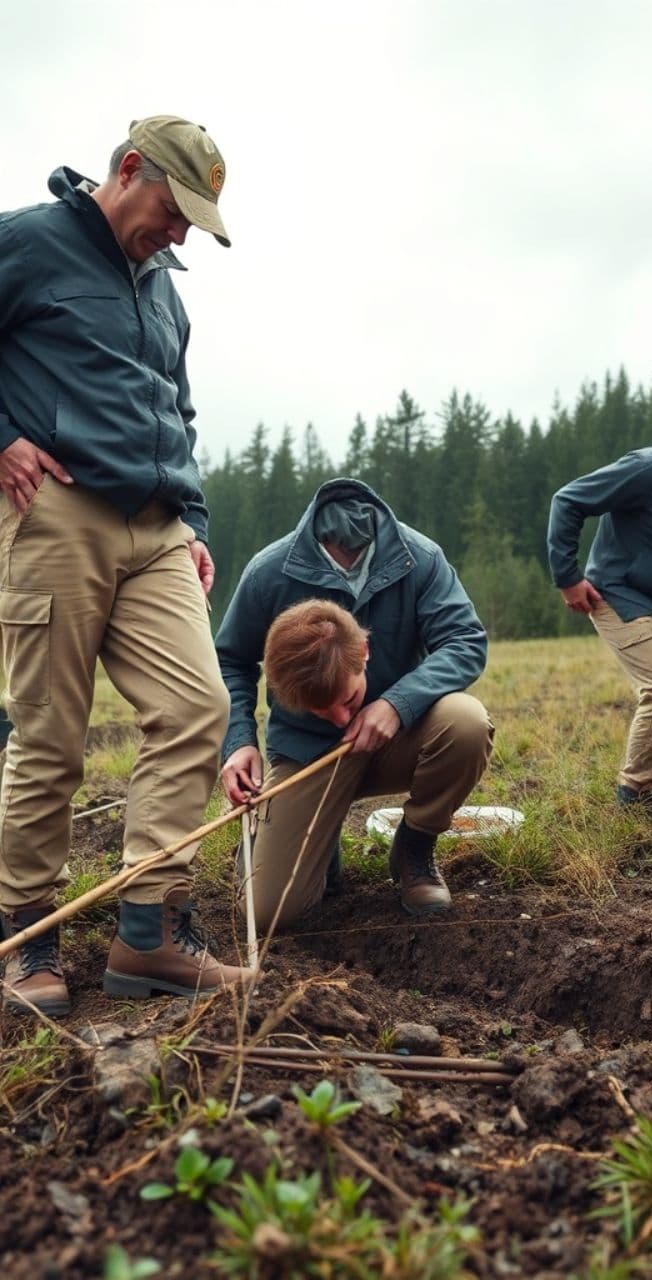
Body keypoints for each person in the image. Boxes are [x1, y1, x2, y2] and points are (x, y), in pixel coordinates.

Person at [0, 115, 249, 1017]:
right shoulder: (27, 242)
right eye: (173, 210)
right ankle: (27, 943)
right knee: (51, 735)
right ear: (129, 169)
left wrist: (193, 515)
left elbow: (176, 410)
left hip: (159, 531)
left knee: (197, 708)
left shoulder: (162, 291)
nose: (179, 233)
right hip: (57, 512)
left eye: (194, 221)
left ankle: (149, 936)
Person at [215, 477, 494, 928]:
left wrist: (397, 703)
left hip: (399, 735)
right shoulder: (267, 573)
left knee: (466, 722)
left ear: (364, 652)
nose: (341, 718)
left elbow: (465, 640)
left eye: (347, 701)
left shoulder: (419, 559)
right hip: (308, 756)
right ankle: (309, 844)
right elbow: (229, 661)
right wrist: (240, 741)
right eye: (324, 709)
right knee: (270, 913)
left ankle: (414, 850)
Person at [547, 402, 652, 808]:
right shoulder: (651, 468)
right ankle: (636, 796)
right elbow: (568, 501)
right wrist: (568, 578)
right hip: (621, 593)